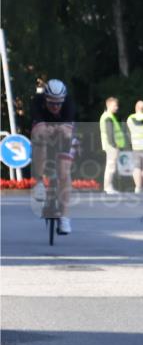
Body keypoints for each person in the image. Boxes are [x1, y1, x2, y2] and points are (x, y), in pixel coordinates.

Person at [30, 79, 76, 234]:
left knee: (64, 173)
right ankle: (38, 183)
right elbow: (39, 129)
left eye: (58, 104)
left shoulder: (68, 103)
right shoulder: (37, 102)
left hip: (63, 138)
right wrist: (50, 129)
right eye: (51, 103)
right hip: (44, 136)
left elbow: (68, 131)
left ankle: (65, 217)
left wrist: (57, 129)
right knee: (40, 139)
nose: (55, 107)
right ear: (45, 99)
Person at [99, 96, 126, 194]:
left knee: (110, 166)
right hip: (112, 146)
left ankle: (108, 187)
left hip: (110, 145)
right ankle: (108, 187)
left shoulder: (108, 116)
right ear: (109, 105)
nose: (117, 107)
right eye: (115, 105)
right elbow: (110, 133)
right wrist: (114, 145)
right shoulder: (108, 117)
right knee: (111, 167)